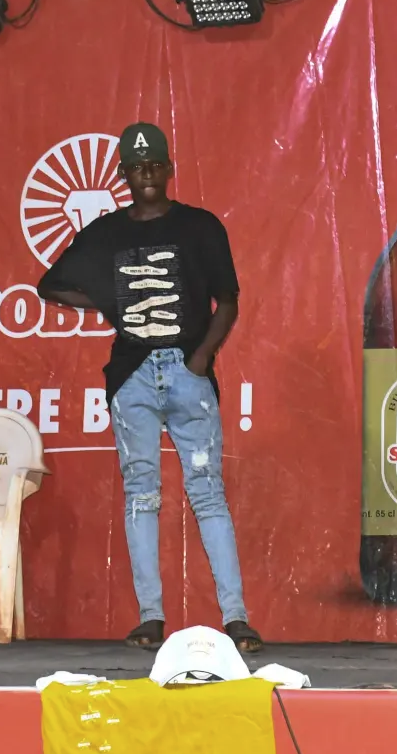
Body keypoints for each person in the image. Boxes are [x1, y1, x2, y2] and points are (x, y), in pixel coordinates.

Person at [37, 123, 262, 653]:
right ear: (123, 174)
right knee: (142, 495)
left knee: (208, 495)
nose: (147, 174)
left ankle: (236, 618)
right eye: (137, 167)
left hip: (187, 372)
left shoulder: (199, 226)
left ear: (169, 169)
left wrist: (201, 359)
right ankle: (151, 617)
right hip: (132, 376)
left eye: (155, 165)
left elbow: (228, 300)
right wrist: (110, 301)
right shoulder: (106, 233)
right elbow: (50, 285)